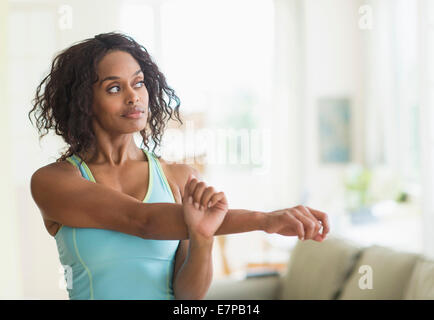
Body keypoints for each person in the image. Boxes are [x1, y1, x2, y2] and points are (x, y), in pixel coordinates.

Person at [28, 32, 330, 300]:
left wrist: (202, 238)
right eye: (114, 88)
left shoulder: (178, 177)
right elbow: (141, 221)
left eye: (138, 83)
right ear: (83, 101)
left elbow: (187, 296)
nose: (134, 97)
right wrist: (265, 220)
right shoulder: (53, 182)